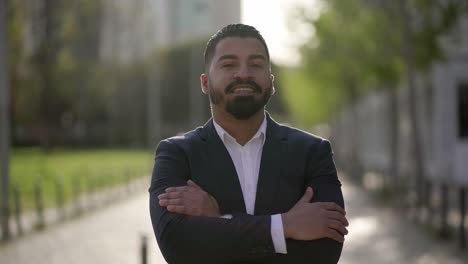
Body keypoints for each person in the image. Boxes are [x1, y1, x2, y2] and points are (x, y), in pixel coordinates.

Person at [149, 23, 348, 264]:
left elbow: (324, 252)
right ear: (204, 82)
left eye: (255, 65)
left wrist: (219, 220)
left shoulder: (313, 152)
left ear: (271, 83)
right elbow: (177, 246)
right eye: (228, 64)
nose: (243, 73)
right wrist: (284, 226)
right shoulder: (176, 154)